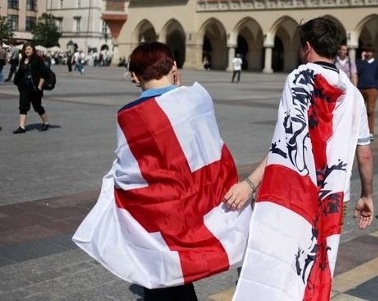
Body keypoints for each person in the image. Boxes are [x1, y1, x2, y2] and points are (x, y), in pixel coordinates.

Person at [73, 42, 250, 301]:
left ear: (134, 76)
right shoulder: (199, 99)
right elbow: (213, 150)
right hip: (198, 204)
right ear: (174, 67)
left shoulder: (129, 115)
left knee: (162, 274)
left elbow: (128, 173)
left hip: (159, 215)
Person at [223, 17, 374, 300]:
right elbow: (364, 153)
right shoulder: (354, 95)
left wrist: (250, 184)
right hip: (335, 196)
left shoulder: (300, 78)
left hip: (295, 193)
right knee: (317, 263)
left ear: (307, 47)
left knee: (280, 265)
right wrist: (368, 194)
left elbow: (286, 143)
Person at [12, 42, 50, 134]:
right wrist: (17, 82)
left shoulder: (37, 59)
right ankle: (22, 126)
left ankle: (46, 122)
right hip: (24, 87)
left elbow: (44, 73)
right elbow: (20, 72)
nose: (27, 51)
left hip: (35, 87)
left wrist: (40, 86)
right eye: (25, 49)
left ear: (33, 49)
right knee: (23, 106)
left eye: (29, 49)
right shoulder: (23, 60)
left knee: (37, 106)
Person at [356, 43, 378, 139]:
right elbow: (357, 72)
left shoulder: (376, 64)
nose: (368, 53)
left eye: (370, 51)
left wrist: (377, 89)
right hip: (361, 89)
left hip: (372, 90)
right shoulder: (360, 63)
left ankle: (370, 132)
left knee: (370, 111)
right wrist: (362, 60)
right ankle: (360, 131)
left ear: (373, 53)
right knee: (360, 111)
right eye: (367, 51)